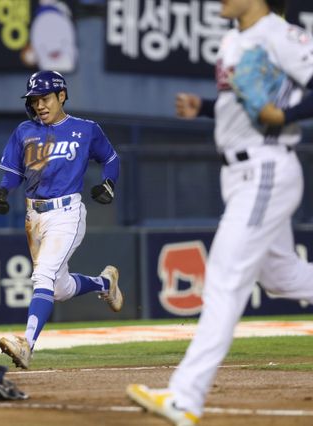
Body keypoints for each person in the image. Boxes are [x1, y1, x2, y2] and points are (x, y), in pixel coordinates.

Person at [126, 1, 313, 424]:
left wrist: (286, 115)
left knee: (224, 279)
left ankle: (185, 397)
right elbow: (243, 104)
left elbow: (276, 108)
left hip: (265, 168)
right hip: (240, 172)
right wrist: (205, 108)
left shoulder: (280, 35)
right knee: (283, 277)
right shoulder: (233, 40)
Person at [0, 70, 123, 369]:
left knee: (43, 276)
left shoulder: (85, 129)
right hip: (34, 217)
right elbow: (13, 172)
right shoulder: (25, 131)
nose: (39, 105)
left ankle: (27, 344)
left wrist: (109, 183)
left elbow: (111, 158)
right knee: (58, 288)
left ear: (62, 96)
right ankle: (105, 283)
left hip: (66, 213)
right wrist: (2, 191)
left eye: (45, 98)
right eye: (34, 100)